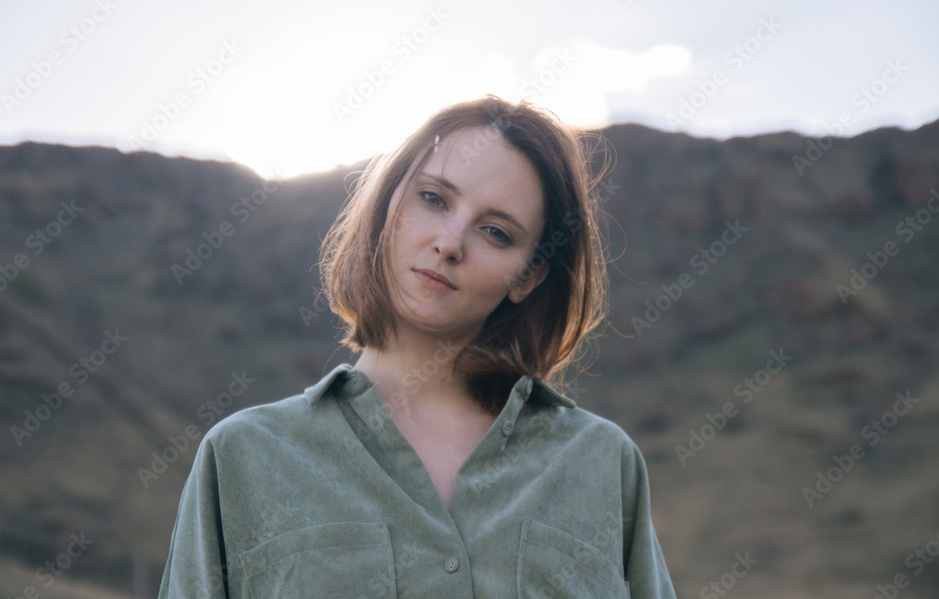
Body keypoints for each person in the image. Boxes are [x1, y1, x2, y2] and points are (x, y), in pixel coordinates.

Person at [158, 95, 676, 598]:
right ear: (387, 205)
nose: (449, 243)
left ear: (529, 276)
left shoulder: (602, 465)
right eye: (433, 199)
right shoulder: (244, 459)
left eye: (496, 232)